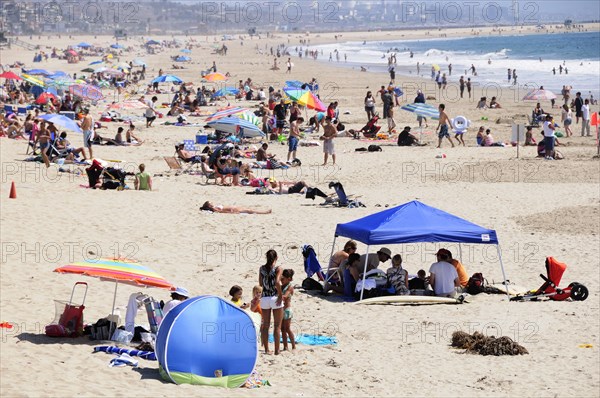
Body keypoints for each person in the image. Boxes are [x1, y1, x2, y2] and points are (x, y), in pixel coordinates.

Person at [258, 250, 284, 355]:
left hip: (265, 298)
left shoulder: (262, 269)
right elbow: (277, 282)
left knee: (266, 326)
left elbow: (260, 283)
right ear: (276, 257)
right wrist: (281, 295)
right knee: (277, 326)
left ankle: (267, 350)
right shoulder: (278, 268)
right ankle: (277, 351)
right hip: (274, 297)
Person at [280, 269, 296, 351]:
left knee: (287, 329)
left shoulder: (290, 287)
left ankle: (293, 346)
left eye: (283, 279)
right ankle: (285, 346)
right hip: (281, 311)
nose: (281, 280)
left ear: (289, 279)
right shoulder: (281, 286)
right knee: (282, 329)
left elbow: (285, 296)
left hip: (287, 310)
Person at [200, 201, 272, 214]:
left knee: (249, 210)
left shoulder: (214, 207)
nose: (212, 202)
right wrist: (232, 213)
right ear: (209, 206)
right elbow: (221, 211)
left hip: (234, 208)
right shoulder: (214, 209)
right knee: (250, 210)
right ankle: (265, 212)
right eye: (210, 203)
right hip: (233, 210)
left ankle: (264, 212)